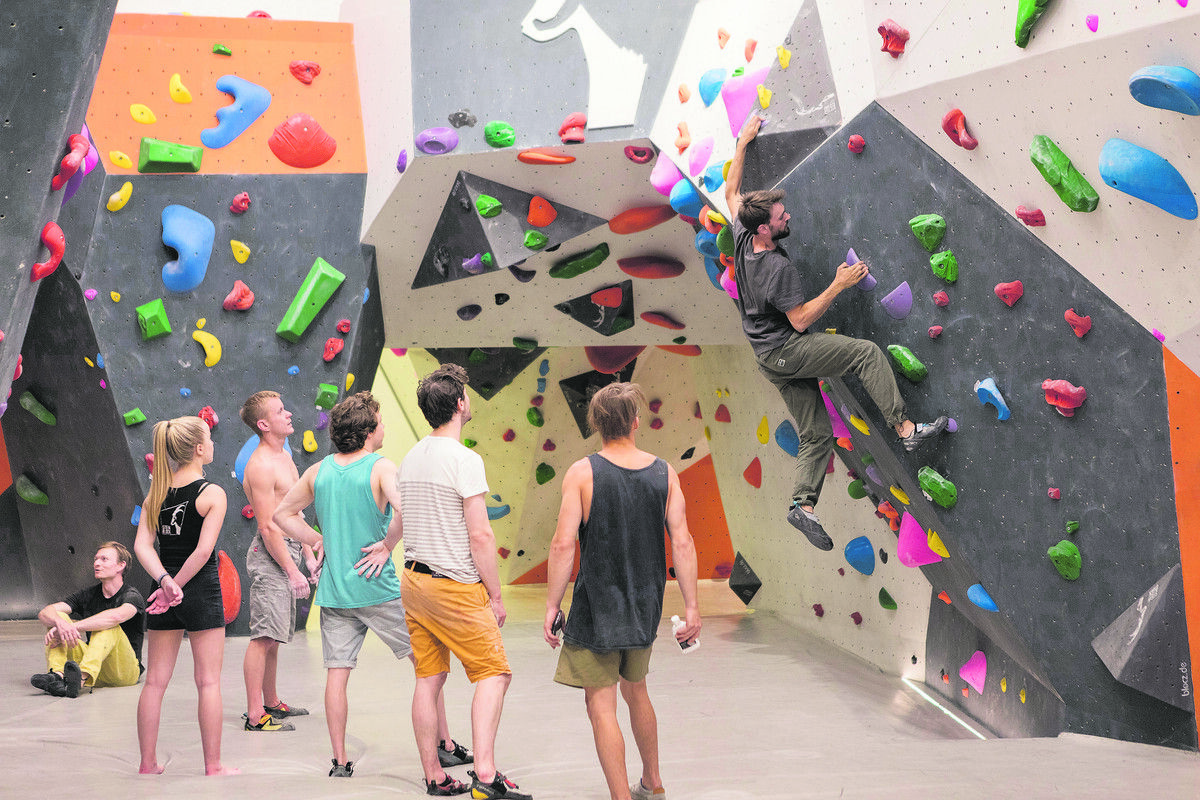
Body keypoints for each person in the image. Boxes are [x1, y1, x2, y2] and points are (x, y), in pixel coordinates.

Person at [724, 113, 948, 550]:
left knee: (817, 435)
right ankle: (906, 432)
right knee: (864, 354)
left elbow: (731, 191)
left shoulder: (741, 233)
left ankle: (802, 506)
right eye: (780, 215)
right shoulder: (776, 268)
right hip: (786, 349)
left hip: (767, 357)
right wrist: (839, 284)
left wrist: (742, 143)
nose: (787, 215)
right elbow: (801, 321)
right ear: (765, 229)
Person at [273, 391, 468, 789]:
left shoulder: (318, 471)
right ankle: (443, 745)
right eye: (380, 420)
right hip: (379, 590)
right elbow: (406, 510)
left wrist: (317, 539)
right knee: (427, 667)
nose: (384, 426)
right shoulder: (381, 468)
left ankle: (340, 761)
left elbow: (281, 515)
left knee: (337, 676)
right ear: (367, 431)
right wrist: (387, 546)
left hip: (334, 595)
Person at [544, 382, 700, 800]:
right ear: (634, 422)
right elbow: (682, 542)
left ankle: (621, 796)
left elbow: (562, 544)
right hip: (645, 604)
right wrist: (691, 606)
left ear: (595, 424)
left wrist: (552, 604)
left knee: (601, 704)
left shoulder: (581, 473)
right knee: (637, 689)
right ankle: (653, 782)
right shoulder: (665, 472)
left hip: (598, 606)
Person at [397, 364, 531, 800]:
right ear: (459, 404)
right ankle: (487, 777)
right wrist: (495, 595)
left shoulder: (412, 456)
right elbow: (480, 534)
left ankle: (435, 776)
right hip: (454, 586)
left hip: (414, 581)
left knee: (429, 678)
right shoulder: (465, 459)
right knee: (494, 673)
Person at [132, 416, 238, 776]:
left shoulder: (156, 494)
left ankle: (147, 764)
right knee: (208, 681)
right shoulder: (213, 493)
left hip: (161, 593)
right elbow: (203, 551)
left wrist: (164, 581)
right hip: (200, 591)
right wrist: (176, 584)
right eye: (208, 439)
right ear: (197, 449)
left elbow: (142, 546)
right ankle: (214, 766)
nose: (212, 445)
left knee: (155, 682)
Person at [238, 390, 319, 732]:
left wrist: (311, 550)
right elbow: (268, 525)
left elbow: (293, 512)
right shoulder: (260, 466)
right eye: (280, 411)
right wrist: (291, 569)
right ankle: (256, 715)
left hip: (288, 549)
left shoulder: (285, 456)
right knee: (262, 637)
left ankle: (271, 701)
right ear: (263, 424)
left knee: (275, 637)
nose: (288, 414)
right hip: (271, 555)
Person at [30, 541, 146, 698]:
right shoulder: (88, 594)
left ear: (121, 566)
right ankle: (57, 675)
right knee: (59, 617)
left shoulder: (132, 596)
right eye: (96, 559)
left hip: (124, 671)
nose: (97, 563)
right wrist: (60, 623)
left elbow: (115, 616)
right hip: (95, 664)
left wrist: (73, 627)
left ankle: (80, 679)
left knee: (109, 625)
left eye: (104, 559)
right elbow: (45, 612)